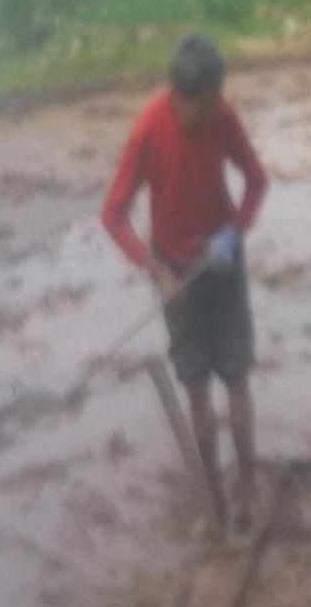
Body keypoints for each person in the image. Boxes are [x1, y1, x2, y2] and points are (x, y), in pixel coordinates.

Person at [101, 34, 268, 536]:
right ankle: (213, 499)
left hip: (222, 261)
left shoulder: (223, 116)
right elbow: (113, 215)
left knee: (237, 376)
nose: (212, 114)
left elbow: (256, 180)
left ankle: (250, 490)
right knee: (196, 389)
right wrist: (157, 272)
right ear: (178, 93)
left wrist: (234, 231)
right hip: (175, 271)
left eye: (217, 101)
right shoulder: (147, 132)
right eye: (204, 107)